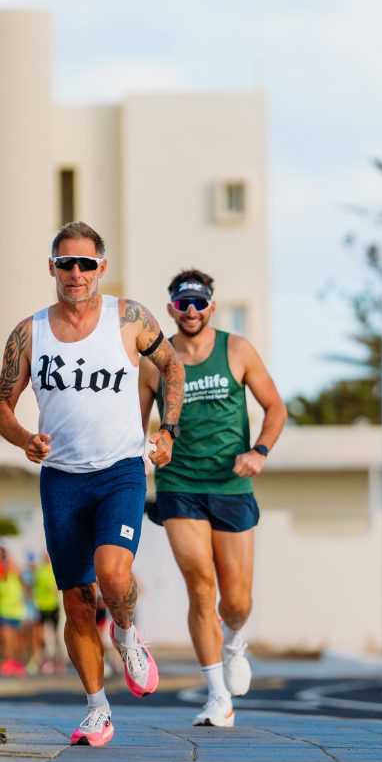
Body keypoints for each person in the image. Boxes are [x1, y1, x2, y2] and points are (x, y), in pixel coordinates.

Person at [0, 220, 184, 746]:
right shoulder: (30, 332)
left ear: (102, 267)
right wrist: (23, 438)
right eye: (66, 263)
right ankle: (97, 708)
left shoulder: (129, 318)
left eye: (86, 264)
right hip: (61, 480)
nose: (76, 274)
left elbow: (171, 368)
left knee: (113, 575)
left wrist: (167, 430)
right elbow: (0, 405)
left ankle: (126, 633)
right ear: (51, 267)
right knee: (76, 600)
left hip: (120, 469)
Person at [138, 268, 286, 727]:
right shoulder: (153, 363)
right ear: (170, 310)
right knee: (200, 585)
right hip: (179, 485)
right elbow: (134, 423)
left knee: (236, 601)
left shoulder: (236, 350)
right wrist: (148, 452)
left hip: (231, 484)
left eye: (199, 303)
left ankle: (236, 640)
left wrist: (259, 451)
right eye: (183, 304)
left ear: (211, 307)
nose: (192, 311)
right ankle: (217, 695)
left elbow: (276, 408)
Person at [0, 541, 29, 677]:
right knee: (5, 638)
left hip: (16, 610)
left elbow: (25, 583)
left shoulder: (15, 567)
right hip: (3, 610)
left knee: (17, 640)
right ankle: (7, 661)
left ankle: (17, 662)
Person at [28, 551, 62, 675]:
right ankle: (43, 659)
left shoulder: (55, 569)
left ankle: (57, 659)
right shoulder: (39, 571)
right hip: (42, 606)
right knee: (40, 635)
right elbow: (34, 586)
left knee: (55, 634)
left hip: (53, 605)